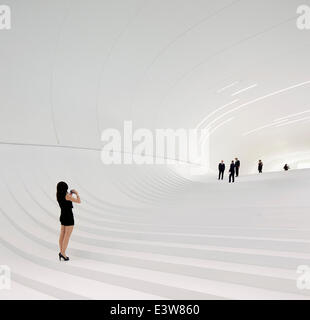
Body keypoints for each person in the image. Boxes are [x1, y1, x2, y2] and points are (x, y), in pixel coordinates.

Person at [56, 181, 81, 261]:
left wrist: (70, 195)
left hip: (62, 216)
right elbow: (78, 201)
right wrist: (76, 193)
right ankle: (63, 254)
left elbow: (66, 199)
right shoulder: (67, 196)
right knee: (67, 236)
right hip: (69, 217)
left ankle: (61, 251)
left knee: (62, 234)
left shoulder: (58, 195)